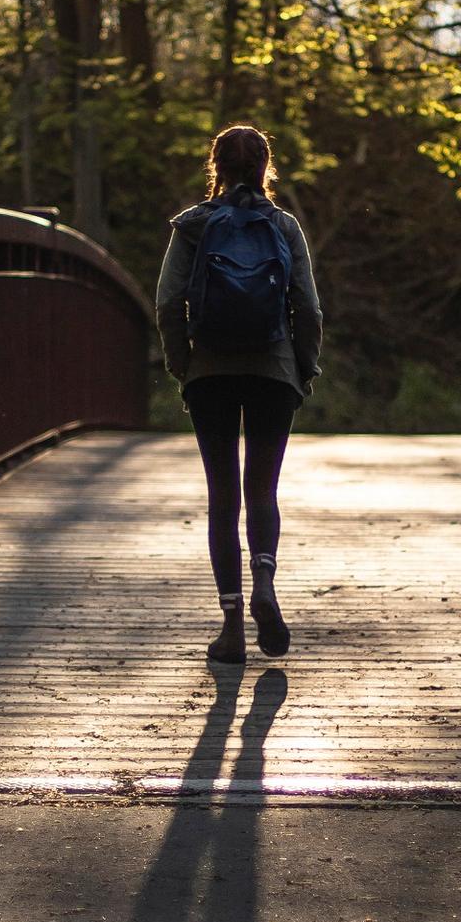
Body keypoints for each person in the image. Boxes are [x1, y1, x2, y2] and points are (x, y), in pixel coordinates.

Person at [156, 124, 323, 664]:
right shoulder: (284, 225)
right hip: (273, 370)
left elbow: (166, 305)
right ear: (264, 168)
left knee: (222, 497)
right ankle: (266, 585)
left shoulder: (193, 226)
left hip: (210, 374)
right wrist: (302, 368)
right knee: (263, 490)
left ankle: (231, 625)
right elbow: (308, 308)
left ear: (217, 168)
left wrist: (184, 365)